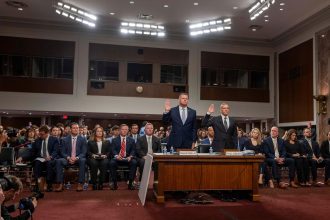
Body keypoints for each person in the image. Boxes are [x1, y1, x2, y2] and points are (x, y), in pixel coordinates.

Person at [16, 126, 59, 192]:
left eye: (42, 134)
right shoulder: (37, 140)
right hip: (40, 158)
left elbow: (56, 151)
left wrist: (50, 157)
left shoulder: (54, 140)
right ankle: (37, 184)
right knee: (37, 163)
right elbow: (32, 153)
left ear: (47, 133)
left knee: (49, 164)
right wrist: (22, 157)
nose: (40, 136)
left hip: (50, 158)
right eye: (40, 134)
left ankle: (49, 184)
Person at [55, 123, 87, 192]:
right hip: (67, 159)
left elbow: (84, 152)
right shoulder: (64, 139)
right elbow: (62, 152)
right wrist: (68, 158)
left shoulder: (83, 139)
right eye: (74, 128)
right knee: (59, 161)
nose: (76, 129)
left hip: (78, 159)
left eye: (77, 128)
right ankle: (60, 184)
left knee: (83, 160)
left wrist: (76, 158)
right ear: (70, 130)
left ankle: (80, 184)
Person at [109, 124, 137, 190]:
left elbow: (133, 150)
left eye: (126, 129)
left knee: (134, 162)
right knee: (111, 163)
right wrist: (116, 156)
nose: (124, 131)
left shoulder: (132, 140)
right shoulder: (114, 140)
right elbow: (113, 150)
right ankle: (114, 183)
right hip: (118, 159)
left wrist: (130, 156)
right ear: (120, 130)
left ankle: (130, 183)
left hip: (128, 159)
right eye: (123, 129)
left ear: (128, 131)